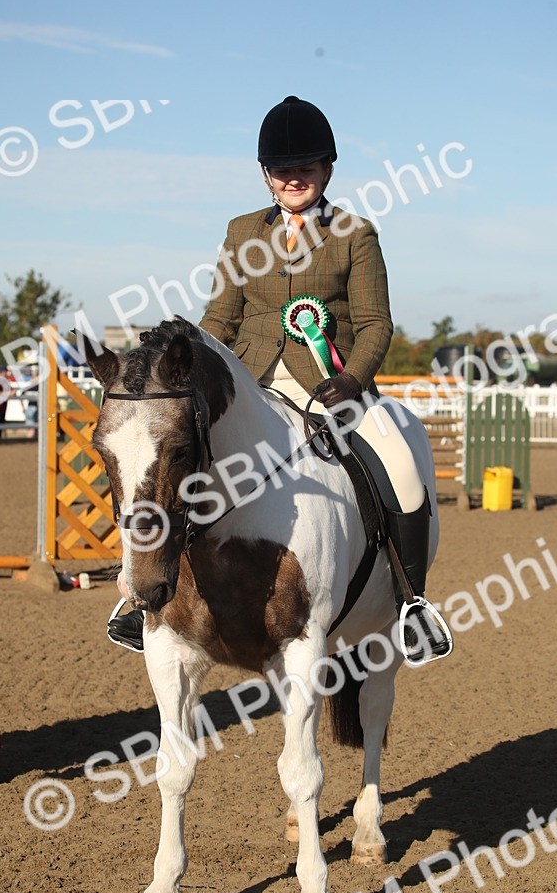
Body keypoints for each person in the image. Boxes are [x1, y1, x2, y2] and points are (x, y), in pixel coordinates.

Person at [108, 96, 450, 664]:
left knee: (404, 468)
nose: (294, 179)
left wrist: (356, 379)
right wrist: (193, 363)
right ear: (266, 176)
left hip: (328, 383)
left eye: (306, 169)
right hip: (250, 380)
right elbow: (219, 319)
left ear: (327, 170)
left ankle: (412, 602)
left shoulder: (355, 233)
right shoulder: (242, 231)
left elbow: (375, 322)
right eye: (283, 170)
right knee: (169, 459)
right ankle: (141, 597)